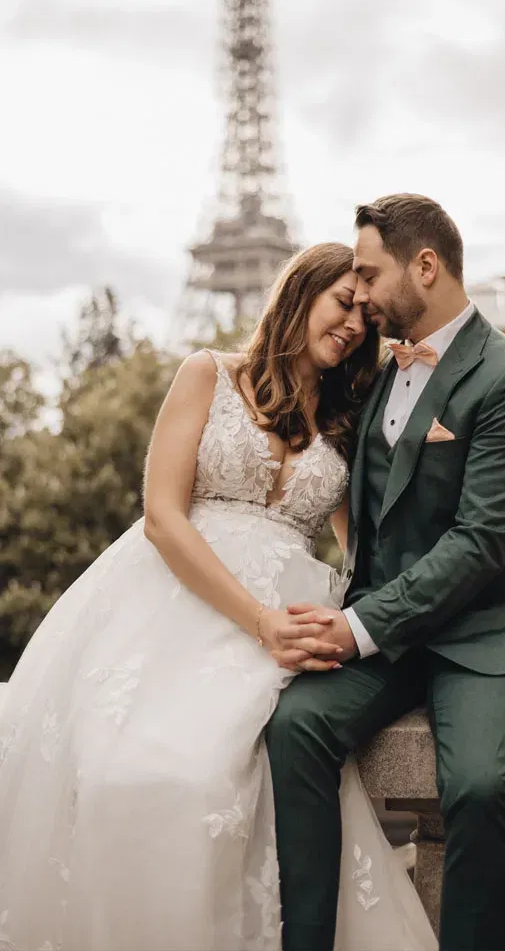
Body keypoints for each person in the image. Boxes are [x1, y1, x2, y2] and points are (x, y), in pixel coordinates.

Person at [0, 241, 437, 951]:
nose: (356, 324)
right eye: (344, 303)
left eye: (368, 315)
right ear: (300, 293)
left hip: (291, 621)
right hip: (173, 607)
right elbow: (163, 518)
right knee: (132, 777)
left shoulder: (345, 417)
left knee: (233, 780)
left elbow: (367, 546)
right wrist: (259, 619)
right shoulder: (206, 373)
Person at [267, 195, 505, 951]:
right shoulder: (373, 375)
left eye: (370, 273)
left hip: (491, 635)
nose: (361, 292)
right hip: (396, 632)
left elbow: (481, 543)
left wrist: (355, 629)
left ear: (426, 266)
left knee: (477, 788)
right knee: (296, 725)